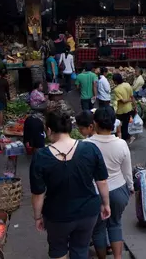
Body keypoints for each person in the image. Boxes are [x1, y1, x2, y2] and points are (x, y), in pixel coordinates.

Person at [30, 111, 111, 259]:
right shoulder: (90, 149)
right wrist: (106, 204)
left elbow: (38, 193)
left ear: (48, 130)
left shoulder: (41, 157)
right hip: (88, 212)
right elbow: (102, 181)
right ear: (70, 128)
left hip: (57, 216)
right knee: (81, 248)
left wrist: (37, 217)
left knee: (58, 250)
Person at [86, 106, 134, 259]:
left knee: (98, 228)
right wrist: (131, 187)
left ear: (95, 123)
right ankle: (118, 257)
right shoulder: (121, 144)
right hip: (118, 191)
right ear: (114, 123)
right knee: (115, 223)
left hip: (95, 193)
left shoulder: (86, 145)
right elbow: (127, 171)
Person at [113, 73, 135, 143]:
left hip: (121, 111)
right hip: (129, 108)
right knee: (125, 125)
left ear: (115, 81)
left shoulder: (116, 90)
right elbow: (132, 96)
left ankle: (126, 138)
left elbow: (123, 101)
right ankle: (126, 138)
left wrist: (129, 100)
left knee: (119, 125)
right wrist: (134, 105)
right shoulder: (127, 85)